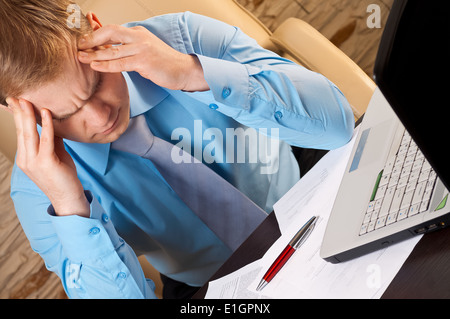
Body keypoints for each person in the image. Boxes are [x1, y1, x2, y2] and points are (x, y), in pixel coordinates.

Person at [0, 0, 354, 299]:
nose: (99, 116)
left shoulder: (181, 37)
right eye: (64, 115)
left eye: (96, 83)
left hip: (309, 186)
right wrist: (72, 208)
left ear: (96, 30)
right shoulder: (38, 189)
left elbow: (337, 124)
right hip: (211, 287)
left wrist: (191, 73)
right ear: (19, 111)